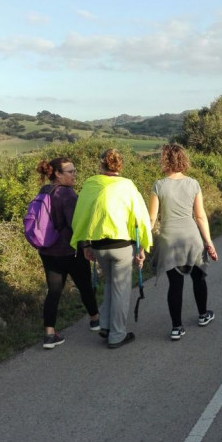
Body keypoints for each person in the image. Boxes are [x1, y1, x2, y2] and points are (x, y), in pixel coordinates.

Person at [71, 149, 152, 349]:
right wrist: (142, 245)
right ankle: (117, 335)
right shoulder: (127, 186)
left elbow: (81, 216)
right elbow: (140, 217)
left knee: (109, 285)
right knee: (121, 290)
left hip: (99, 246)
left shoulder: (91, 185)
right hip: (122, 246)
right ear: (120, 165)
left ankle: (106, 325)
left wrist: (85, 244)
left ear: (101, 165)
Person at [149, 143, 218, 341]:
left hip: (169, 241)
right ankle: (203, 314)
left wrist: (143, 246)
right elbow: (201, 217)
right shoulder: (193, 184)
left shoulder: (158, 185)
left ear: (164, 160)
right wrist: (209, 243)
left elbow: (152, 219)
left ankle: (176, 327)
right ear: (183, 159)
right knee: (199, 278)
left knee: (175, 285)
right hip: (192, 239)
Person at [35, 157, 99, 350]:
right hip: (69, 250)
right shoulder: (68, 195)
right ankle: (95, 320)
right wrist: (87, 246)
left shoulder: (44, 191)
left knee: (54, 291)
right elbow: (76, 224)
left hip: (47, 250)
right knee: (85, 284)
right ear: (57, 174)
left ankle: (49, 334)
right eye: (70, 172)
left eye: (74, 170)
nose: (74, 175)